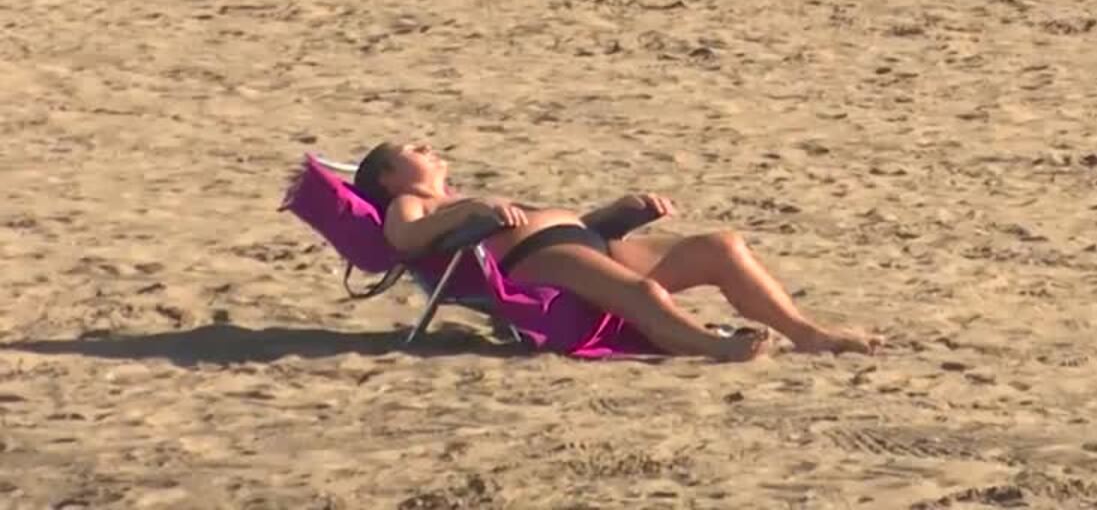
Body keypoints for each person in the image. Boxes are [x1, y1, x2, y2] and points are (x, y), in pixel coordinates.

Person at [353, 141, 882, 362]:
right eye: (412, 151)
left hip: (583, 238)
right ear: (388, 176)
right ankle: (713, 346)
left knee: (722, 246)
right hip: (539, 259)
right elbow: (404, 243)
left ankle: (808, 333)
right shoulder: (409, 203)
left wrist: (620, 213)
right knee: (642, 292)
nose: (428, 149)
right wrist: (468, 214)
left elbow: (570, 224)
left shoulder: (461, 198)